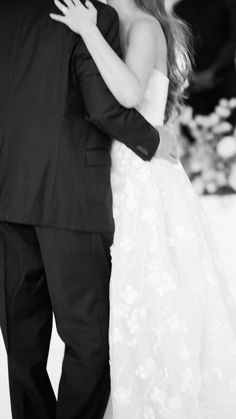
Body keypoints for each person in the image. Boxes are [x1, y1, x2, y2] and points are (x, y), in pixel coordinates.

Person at [50, 0, 236, 418]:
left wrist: (88, 31)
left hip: (140, 179)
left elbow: (130, 93)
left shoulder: (144, 26)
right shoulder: (125, 24)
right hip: (122, 171)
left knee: (145, 297)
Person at [0, 1, 176, 419]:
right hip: (72, 195)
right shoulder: (91, 15)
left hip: (8, 193)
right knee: (90, 340)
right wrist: (151, 142)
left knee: (22, 343)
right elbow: (102, 106)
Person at [174, 0, 236, 115]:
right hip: (192, 85)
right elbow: (179, 46)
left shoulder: (228, 4)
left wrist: (211, 71)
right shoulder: (180, 7)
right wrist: (190, 77)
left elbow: (232, 42)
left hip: (222, 81)